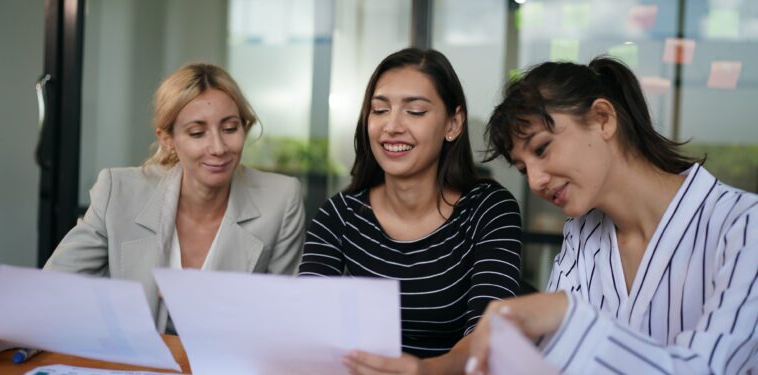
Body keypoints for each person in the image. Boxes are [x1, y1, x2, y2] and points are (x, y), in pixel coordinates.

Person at [466, 57, 758, 375]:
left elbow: (708, 369)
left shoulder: (744, 226)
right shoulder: (582, 236)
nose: (535, 181)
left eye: (541, 149)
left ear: (603, 119)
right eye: (523, 169)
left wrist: (568, 315)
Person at [0, 63, 305, 355]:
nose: (219, 147)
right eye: (197, 133)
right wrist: (1, 332)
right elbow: (52, 290)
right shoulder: (120, 190)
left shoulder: (280, 199)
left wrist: (212, 307)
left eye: (230, 128)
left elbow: (286, 320)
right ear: (168, 139)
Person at [298, 48, 522, 375]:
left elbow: (487, 335)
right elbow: (307, 327)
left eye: (415, 111)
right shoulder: (339, 215)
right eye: (379, 109)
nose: (392, 126)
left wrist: (425, 370)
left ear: (453, 123)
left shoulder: (488, 209)